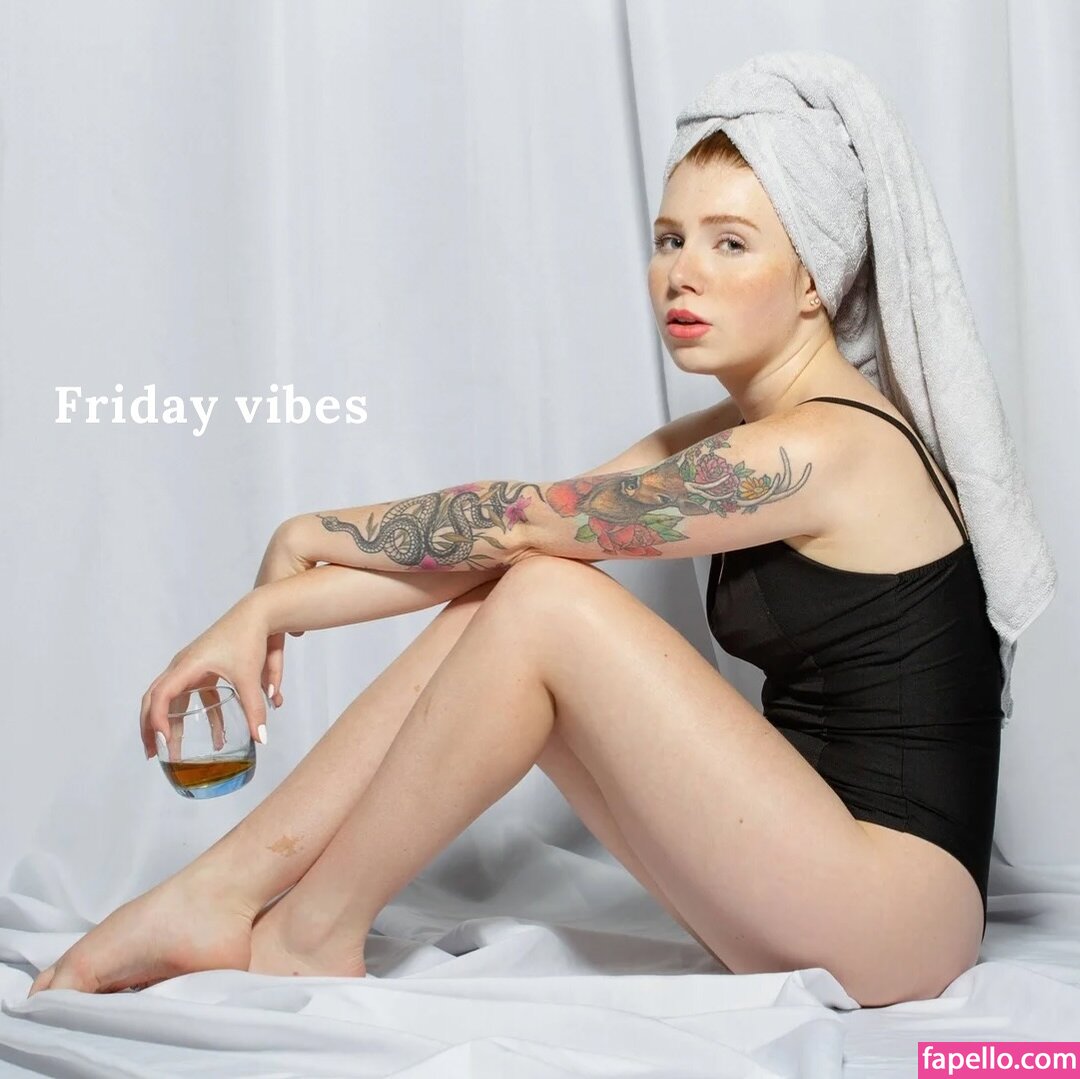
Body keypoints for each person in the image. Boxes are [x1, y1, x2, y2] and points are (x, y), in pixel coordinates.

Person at [26, 127, 1002, 1010]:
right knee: (517, 593)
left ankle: (307, 932)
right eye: (670, 239)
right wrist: (281, 593)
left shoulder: (828, 447)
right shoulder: (743, 432)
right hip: (804, 881)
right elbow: (512, 537)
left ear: (814, 281)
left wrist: (300, 548)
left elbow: (522, 522)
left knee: (542, 593)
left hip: (895, 917)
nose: (683, 273)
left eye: (730, 243)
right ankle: (222, 893)